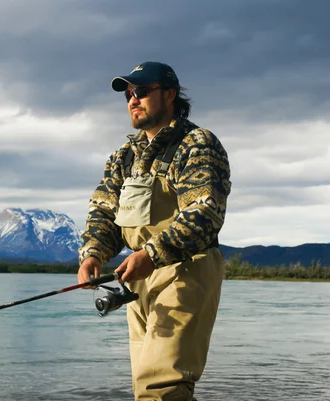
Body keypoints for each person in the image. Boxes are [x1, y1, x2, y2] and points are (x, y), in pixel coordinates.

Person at [77, 61, 232, 400]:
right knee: (144, 384)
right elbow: (104, 211)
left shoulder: (197, 143)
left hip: (186, 271)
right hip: (138, 278)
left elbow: (205, 211)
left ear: (170, 94)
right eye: (129, 94)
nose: (133, 99)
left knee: (161, 387)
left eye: (143, 91)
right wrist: (92, 254)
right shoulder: (123, 155)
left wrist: (152, 254)